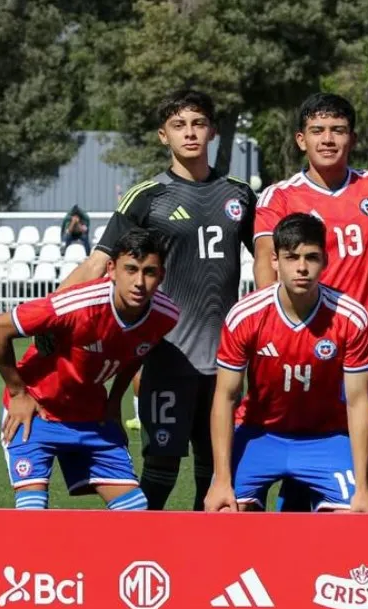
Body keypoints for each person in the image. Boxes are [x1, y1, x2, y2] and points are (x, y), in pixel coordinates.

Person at [60, 89, 256, 511]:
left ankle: (206, 566)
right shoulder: (148, 196)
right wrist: (49, 312)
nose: (190, 133)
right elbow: (98, 265)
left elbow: (270, 264)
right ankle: (139, 563)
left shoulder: (240, 195)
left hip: (226, 360)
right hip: (168, 355)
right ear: (163, 136)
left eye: (198, 123)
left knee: (217, 475)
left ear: (213, 132)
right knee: (161, 469)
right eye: (178, 125)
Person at [254, 93, 368, 511]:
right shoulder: (279, 198)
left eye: (337, 130)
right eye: (317, 131)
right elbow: (267, 266)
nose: (327, 140)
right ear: (301, 140)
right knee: (304, 460)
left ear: (352, 138)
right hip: (305, 354)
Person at [0, 229, 178, 510]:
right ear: (112, 269)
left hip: (91, 417)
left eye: (149, 272)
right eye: (131, 270)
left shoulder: (165, 316)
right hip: (37, 412)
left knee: (135, 513)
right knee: (30, 515)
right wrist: (17, 393)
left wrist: (113, 403)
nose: (139, 282)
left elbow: (136, 353)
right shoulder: (75, 305)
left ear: (161, 275)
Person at [204, 213, 368, 513]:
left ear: (325, 261)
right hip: (259, 433)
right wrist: (221, 478)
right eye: (291, 257)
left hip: (325, 438)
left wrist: (363, 487)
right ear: (275, 261)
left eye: (311, 257)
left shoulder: (351, 316)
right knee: (226, 512)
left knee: (355, 516)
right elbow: (226, 396)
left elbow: (358, 401)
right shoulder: (246, 315)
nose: (301, 267)